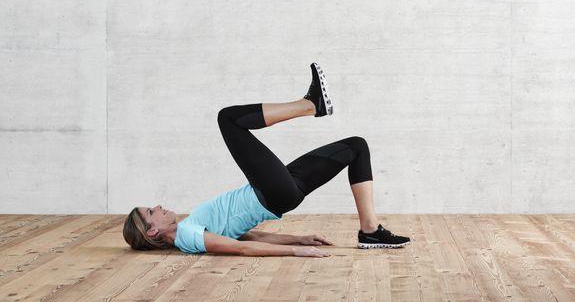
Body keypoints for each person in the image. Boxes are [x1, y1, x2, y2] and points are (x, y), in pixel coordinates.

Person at [123, 63, 410, 257]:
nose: (157, 206)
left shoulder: (189, 229)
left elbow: (244, 239)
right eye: (151, 211)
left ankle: (370, 231)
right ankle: (310, 104)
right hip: (270, 192)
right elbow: (240, 251)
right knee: (228, 119)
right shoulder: (185, 237)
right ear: (152, 230)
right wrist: (295, 252)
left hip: (281, 191)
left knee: (356, 147)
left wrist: (297, 238)